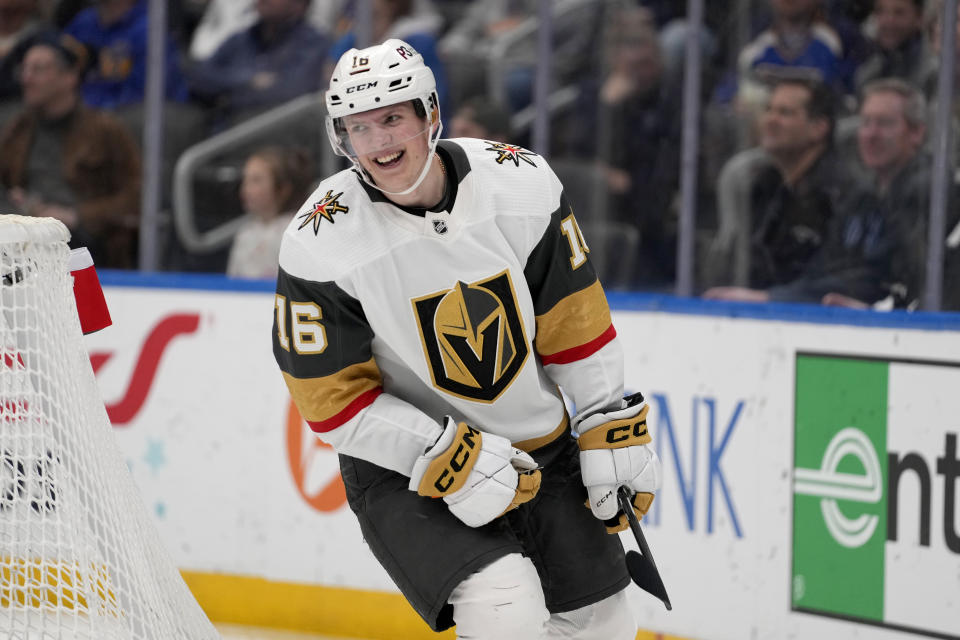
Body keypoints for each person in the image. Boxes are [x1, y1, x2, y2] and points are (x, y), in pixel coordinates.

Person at [272, 39, 661, 639]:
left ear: (430, 113)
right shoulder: (321, 240)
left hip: (541, 444)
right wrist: (442, 454)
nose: (377, 142)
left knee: (604, 622)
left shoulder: (519, 184)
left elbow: (574, 323)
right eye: (358, 126)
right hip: (407, 469)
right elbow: (331, 400)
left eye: (391, 118)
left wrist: (606, 417)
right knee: (503, 602)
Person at [704, 77, 858, 301]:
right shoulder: (763, 188)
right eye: (768, 110)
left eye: (785, 113)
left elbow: (839, 281)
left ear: (819, 128)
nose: (770, 120)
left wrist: (770, 298)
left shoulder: (841, 195)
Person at [0, 32, 141, 268]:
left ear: (69, 77)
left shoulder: (105, 130)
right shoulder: (18, 129)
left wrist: (76, 216)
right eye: (24, 69)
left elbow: (137, 198)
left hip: (86, 246)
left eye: (38, 70)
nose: (27, 78)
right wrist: (18, 207)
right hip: (26, 244)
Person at [187, 0, 328, 129]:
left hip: (278, 134)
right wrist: (248, 80)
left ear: (299, 5)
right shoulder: (240, 39)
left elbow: (293, 92)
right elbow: (198, 78)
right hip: (223, 131)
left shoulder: (313, 44)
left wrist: (226, 95)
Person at [63, 0, 189, 109]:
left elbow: (147, 98)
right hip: (81, 112)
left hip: (128, 118)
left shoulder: (149, 31)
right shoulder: (84, 21)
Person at [226, 145, 312, 279]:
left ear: (283, 188)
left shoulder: (299, 232)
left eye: (256, 180)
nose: (246, 189)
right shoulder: (245, 234)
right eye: (246, 180)